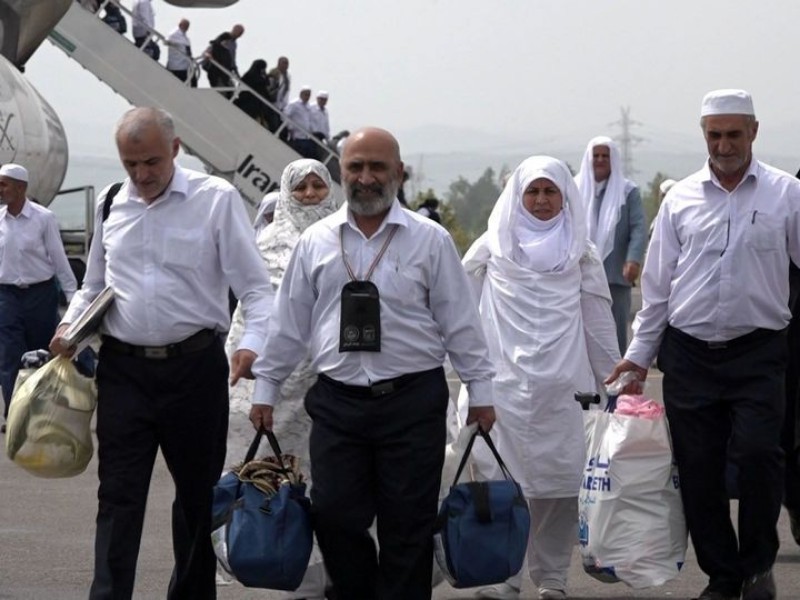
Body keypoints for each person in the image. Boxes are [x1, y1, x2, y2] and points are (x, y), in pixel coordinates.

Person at [250, 127, 496, 600]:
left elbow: (461, 324)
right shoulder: (316, 241)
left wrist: (481, 393)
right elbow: (288, 324)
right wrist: (266, 388)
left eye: (377, 167)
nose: (366, 178)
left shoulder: (430, 240)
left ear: (398, 173)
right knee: (335, 517)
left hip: (412, 402)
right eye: (355, 167)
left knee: (409, 526)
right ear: (342, 173)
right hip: (339, 405)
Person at [49, 107, 272, 600]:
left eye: (151, 161)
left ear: (175, 149)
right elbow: (94, 287)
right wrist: (69, 326)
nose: (142, 175)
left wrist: (252, 345)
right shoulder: (112, 202)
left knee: (195, 499)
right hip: (124, 372)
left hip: (195, 370)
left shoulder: (215, 200)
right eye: (131, 164)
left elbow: (256, 289)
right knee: (118, 496)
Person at [606, 89, 800, 600]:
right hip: (690, 354)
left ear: (753, 133)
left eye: (734, 133)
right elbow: (658, 289)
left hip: (759, 351)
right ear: (704, 135)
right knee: (699, 469)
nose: (724, 144)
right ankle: (722, 575)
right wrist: (638, 357)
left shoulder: (785, 194)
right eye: (715, 134)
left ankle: (758, 564)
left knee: (761, 455)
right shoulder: (680, 199)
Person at [462, 156, 619, 600]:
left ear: (566, 195)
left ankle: (552, 577)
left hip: (566, 388)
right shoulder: (489, 249)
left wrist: (618, 382)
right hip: (502, 388)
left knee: (560, 485)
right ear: (517, 196)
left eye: (551, 191)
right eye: (533, 191)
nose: (542, 200)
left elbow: (598, 325)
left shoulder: (581, 254)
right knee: (501, 483)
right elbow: (458, 317)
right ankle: (504, 575)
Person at [226, 159, 339, 599]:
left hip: (330, 380)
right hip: (277, 381)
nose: (310, 194)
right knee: (280, 482)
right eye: (301, 187)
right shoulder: (265, 244)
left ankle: (334, 572)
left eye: (317, 186)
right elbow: (251, 312)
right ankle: (289, 570)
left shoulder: (348, 238)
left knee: (333, 485)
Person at [0, 163, 77, 429]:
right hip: (7, 297)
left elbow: (58, 259)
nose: (0, 189)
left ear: (20, 188)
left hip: (40, 296)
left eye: (4, 184)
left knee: (41, 354)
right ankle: (14, 415)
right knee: (9, 356)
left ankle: (43, 411)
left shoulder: (43, 218)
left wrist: (73, 298)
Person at [575, 136, 646, 354]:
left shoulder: (627, 191)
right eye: (596, 155)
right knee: (579, 334)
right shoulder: (574, 188)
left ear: (613, 159)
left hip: (615, 276)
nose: (600, 160)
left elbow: (638, 228)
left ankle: (616, 385)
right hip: (579, 277)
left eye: (605, 156)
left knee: (615, 334)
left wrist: (633, 259)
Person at [234, 59, 275, 127]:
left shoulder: (247, 75)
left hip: (247, 103)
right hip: (251, 105)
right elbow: (263, 88)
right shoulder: (256, 78)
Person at [284, 86, 316, 159]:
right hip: (296, 136)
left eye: (309, 95)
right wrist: (290, 127)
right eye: (306, 94)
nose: (307, 97)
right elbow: (285, 115)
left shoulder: (308, 106)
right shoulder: (294, 104)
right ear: (301, 94)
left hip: (306, 136)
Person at [166, 18, 195, 86]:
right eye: (185, 26)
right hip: (177, 67)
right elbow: (167, 40)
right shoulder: (174, 34)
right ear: (180, 24)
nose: (187, 28)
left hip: (185, 66)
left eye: (187, 26)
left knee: (193, 82)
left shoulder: (184, 36)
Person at [310, 90, 331, 156]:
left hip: (321, 138)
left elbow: (326, 126)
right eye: (321, 99)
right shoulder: (311, 107)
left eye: (324, 100)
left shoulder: (325, 111)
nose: (322, 101)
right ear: (317, 99)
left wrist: (328, 138)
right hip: (312, 135)